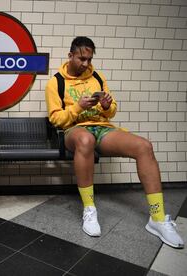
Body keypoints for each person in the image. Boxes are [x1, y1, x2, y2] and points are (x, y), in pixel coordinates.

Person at [45, 36, 184, 249]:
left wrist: (107, 105)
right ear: (70, 56)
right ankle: (90, 210)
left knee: (143, 146)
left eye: (89, 59)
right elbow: (56, 119)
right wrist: (78, 107)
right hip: (74, 131)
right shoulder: (56, 81)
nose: (86, 64)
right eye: (82, 59)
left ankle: (157, 218)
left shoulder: (97, 77)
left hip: (102, 128)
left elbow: (111, 112)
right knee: (85, 139)